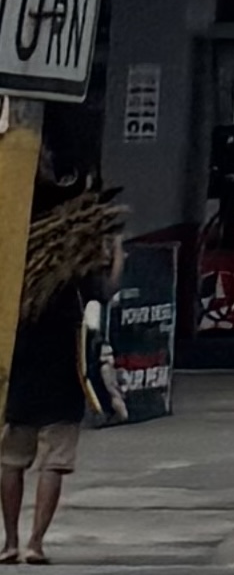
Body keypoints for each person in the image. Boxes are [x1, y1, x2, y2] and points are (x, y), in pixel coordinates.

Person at [0, 187, 119, 566]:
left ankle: (10, 542)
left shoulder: (19, 276)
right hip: (65, 381)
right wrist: (117, 259)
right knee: (54, 463)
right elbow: (105, 296)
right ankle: (36, 542)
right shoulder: (75, 279)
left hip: (20, 380)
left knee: (11, 461)